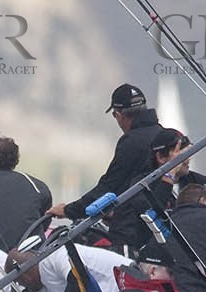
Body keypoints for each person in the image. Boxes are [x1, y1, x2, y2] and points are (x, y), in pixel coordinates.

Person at [51, 83, 165, 250]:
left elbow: (109, 186)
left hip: (132, 233)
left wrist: (69, 210)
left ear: (118, 115)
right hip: (160, 228)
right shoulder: (163, 134)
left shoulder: (130, 142)